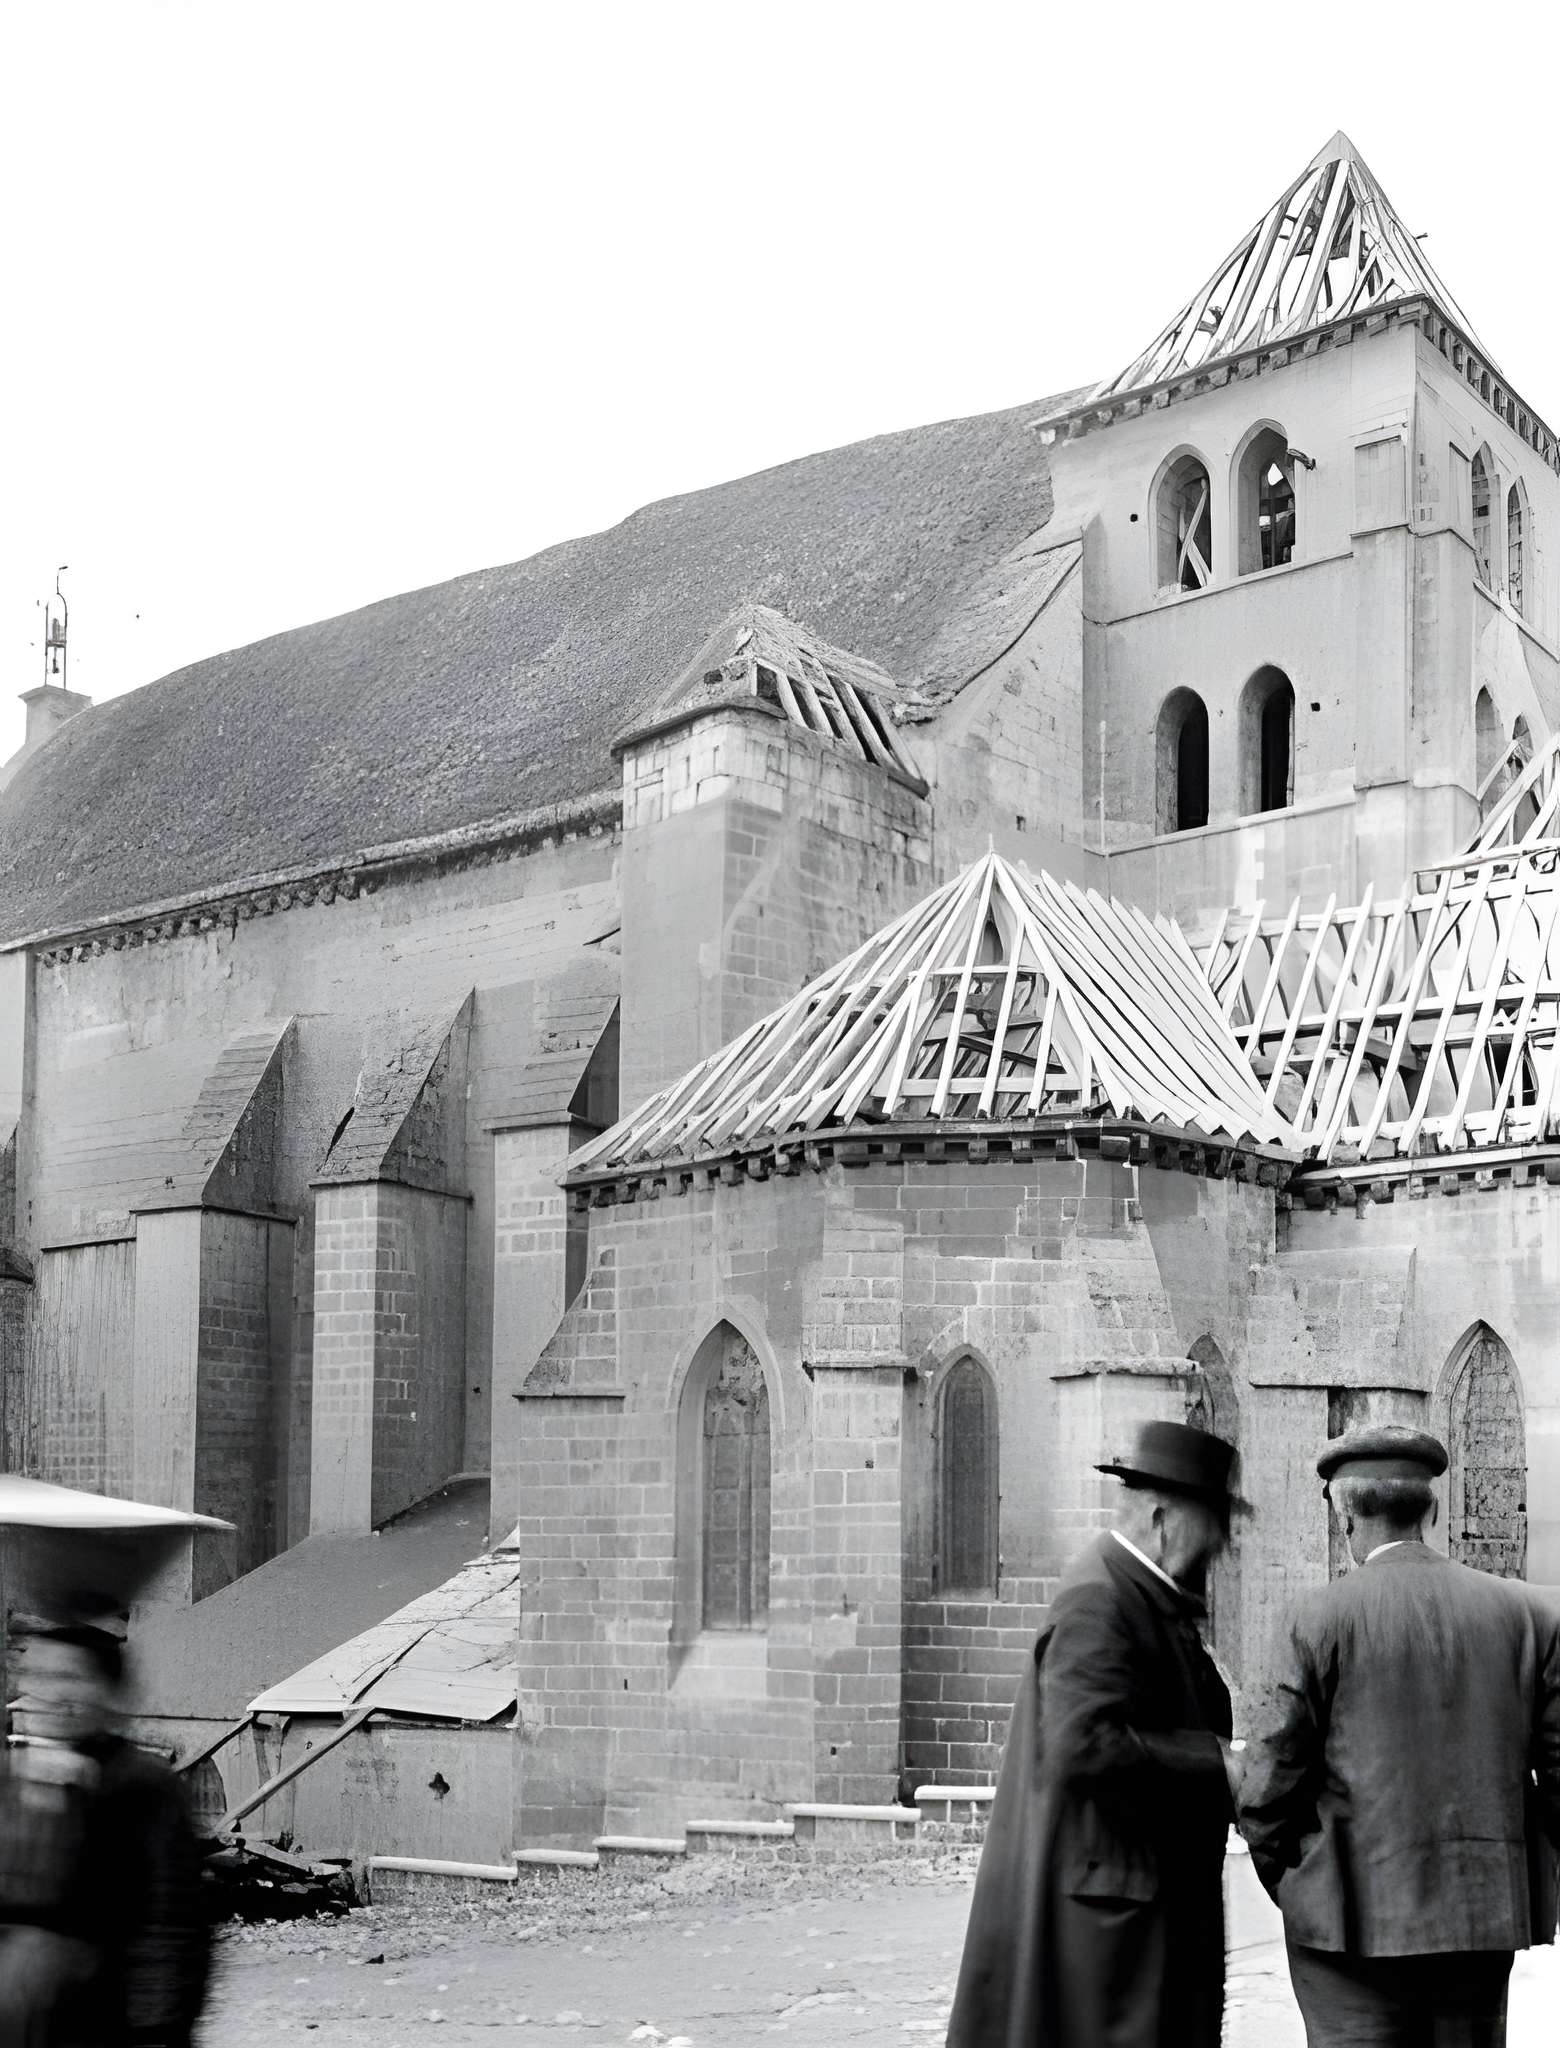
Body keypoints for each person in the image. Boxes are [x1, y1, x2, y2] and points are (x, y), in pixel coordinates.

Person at [1239, 1423, 1560, 2048]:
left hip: (1347, 1922)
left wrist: (1298, 1880)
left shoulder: (1316, 1616)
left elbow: (1269, 1779)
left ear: (1345, 1518)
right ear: (1432, 1508)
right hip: (1481, 1920)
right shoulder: (1529, 1614)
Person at [946, 1417, 1245, 2048]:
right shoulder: (1101, 1598)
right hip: (1109, 1944)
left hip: (1139, 1925)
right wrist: (1220, 1763)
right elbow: (1081, 1747)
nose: (1222, 1543)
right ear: (1163, 1519)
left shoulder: (1143, 1594)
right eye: (1214, 1522)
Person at [0, 1598, 211, 2047]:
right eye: (38, 1675)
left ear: (109, 1692)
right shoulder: (8, 1774)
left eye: (71, 1678)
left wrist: (157, 2032)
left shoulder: (143, 1786)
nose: (51, 1694)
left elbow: (171, 1928)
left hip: (103, 2021)